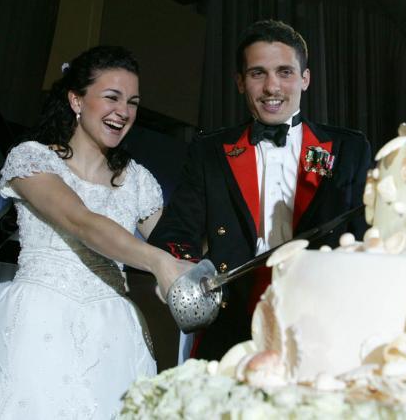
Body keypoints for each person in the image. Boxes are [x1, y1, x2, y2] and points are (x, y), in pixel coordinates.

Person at [0, 46, 193, 419]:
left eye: (132, 102)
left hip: (115, 335)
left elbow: (178, 245)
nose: (123, 111)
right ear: (76, 100)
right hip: (39, 324)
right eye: (112, 97)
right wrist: (157, 262)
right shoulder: (32, 159)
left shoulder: (138, 180)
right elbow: (80, 221)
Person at [149, 20, 371, 361]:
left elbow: (364, 236)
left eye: (284, 72)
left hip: (322, 316)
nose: (271, 87)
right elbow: (177, 231)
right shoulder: (210, 151)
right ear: (240, 82)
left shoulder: (348, 149)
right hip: (233, 320)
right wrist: (184, 271)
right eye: (257, 73)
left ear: (305, 79)